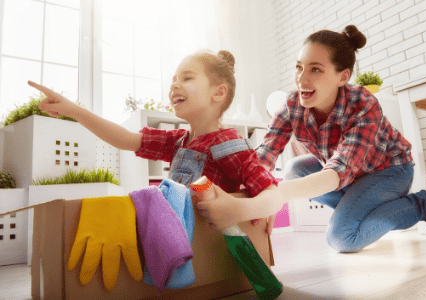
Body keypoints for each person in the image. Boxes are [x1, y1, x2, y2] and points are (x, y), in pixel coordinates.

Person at [196, 25, 426, 253]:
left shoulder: (363, 104)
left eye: (315, 69)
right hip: (349, 178)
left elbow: (338, 171)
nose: (301, 78)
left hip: (389, 170)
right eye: (299, 67)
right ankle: (360, 211)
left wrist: (272, 198)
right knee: (295, 169)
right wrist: (250, 193)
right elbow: (265, 155)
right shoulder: (293, 103)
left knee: (343, 238)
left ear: (342, 77)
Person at [28, 49, 283, 228]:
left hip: (205, 244)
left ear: (218, 92)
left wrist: (244, 210)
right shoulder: (178, 141)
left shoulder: (229, 145)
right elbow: (125, 139)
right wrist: (72, 110)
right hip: (175, 233)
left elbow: (272, 193)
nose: (173, 85)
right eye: (173, 80)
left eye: (187, 78)